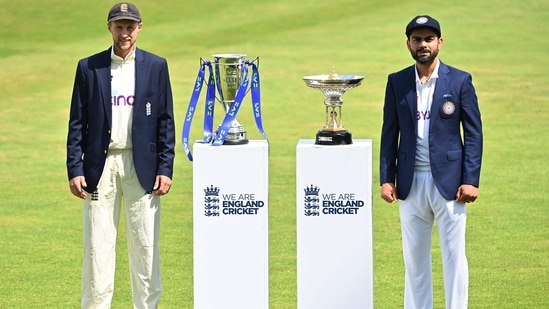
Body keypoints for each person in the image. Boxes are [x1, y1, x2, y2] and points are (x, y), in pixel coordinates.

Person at [66, 2, 175, 308]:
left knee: (145, 245)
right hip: (100, 168)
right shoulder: (89, 67)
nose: (124, 32)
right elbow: (77, 121)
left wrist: (165, 167)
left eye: (130, 26)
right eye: (119, 26)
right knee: (97, 246)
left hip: (143, 167)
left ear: (139, 28)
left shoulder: (156, 66)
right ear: (109, 27)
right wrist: (75, 167)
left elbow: (165, 120)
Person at [379, 15, 483, 309]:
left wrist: (470, 180)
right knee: (414, 258)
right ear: (408, 44)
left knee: (454, 256)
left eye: (428, 39)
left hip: (450, 183)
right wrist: (386, 178)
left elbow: (474, 133)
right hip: (410, 184)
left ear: (440, 42)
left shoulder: (460, 80)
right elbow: (390, 132)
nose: (422, 44)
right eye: (416, 39)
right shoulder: (397, 81)